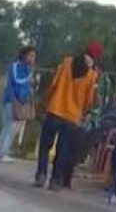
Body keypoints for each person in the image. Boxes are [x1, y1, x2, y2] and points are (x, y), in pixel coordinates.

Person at [34, 41, 103, 190]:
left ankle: (41, 175)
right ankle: (55, 181)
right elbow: (89, 101)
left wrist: (45, 102)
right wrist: (82, 110)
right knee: (63, 150)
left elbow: (53, 84)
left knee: (45, 146)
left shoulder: (66, 63)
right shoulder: (92, 75)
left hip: (54, 110)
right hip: (72, 117)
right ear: (96, 57)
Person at [0, 46, 37, 162]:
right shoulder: (15, 66)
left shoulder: (28, 69)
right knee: (9, 127)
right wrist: (28, 78)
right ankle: (2, 153)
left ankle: (2, 151)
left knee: (10, 127)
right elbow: (16, 79)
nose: (32, 59)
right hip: (11, 99)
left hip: (21, 100)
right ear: (24, 55)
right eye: (31, 56)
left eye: (34, 57)